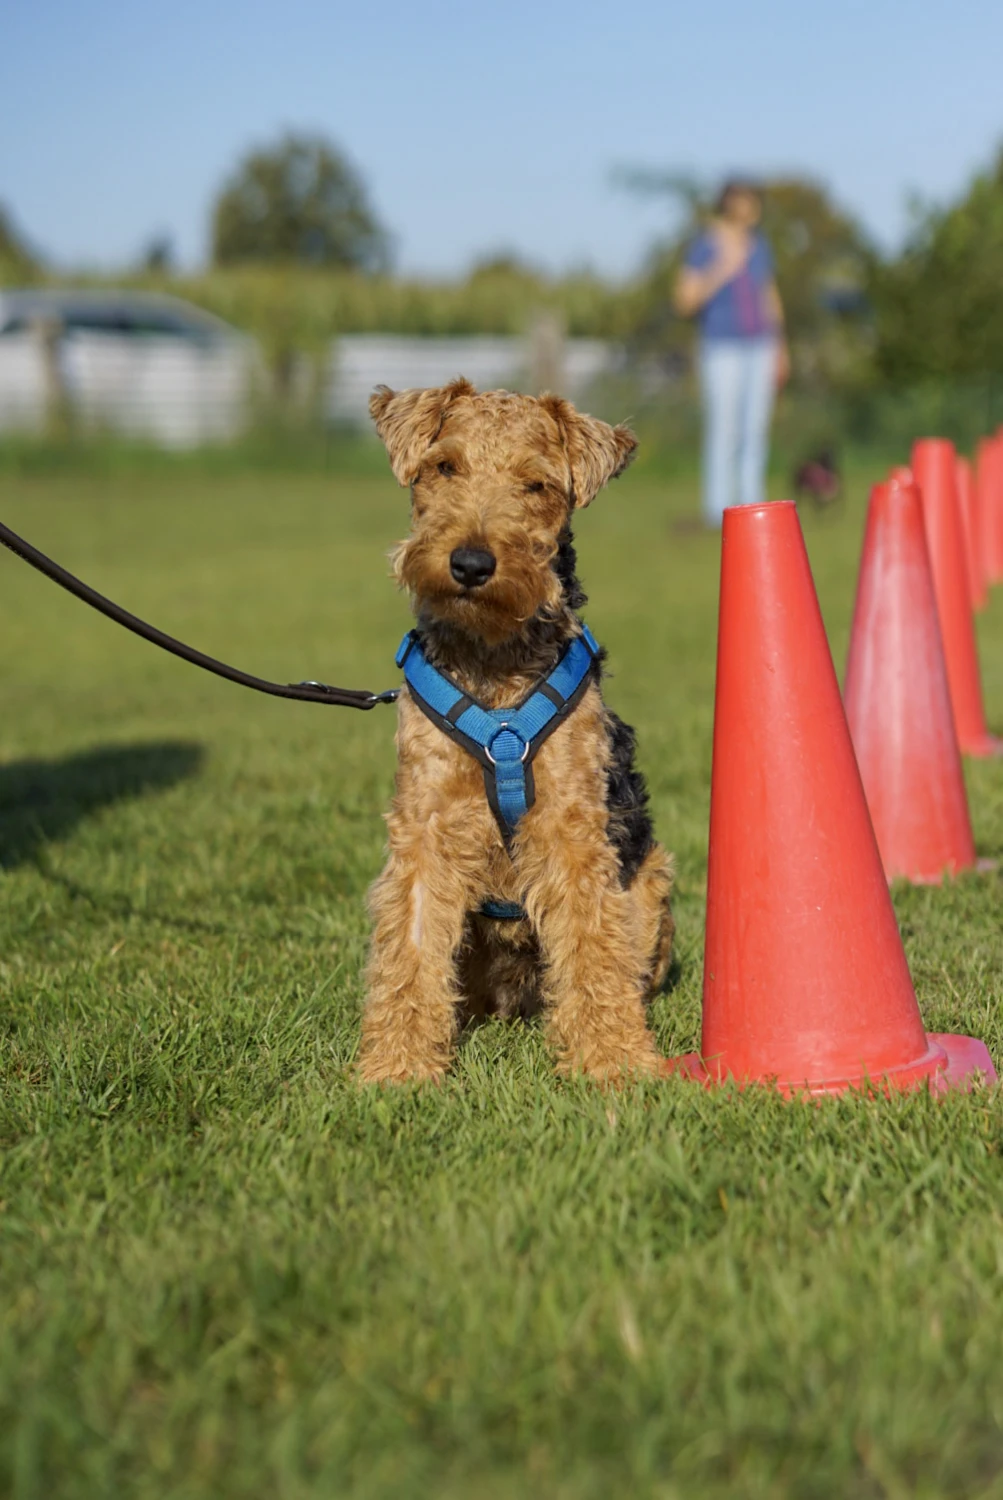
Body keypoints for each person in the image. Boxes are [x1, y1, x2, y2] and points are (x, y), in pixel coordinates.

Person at [674, 178, 789, 527]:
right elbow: (684, 300)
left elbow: (769, 295)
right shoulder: (704, 246)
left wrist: (781, 346)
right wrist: (721, 268)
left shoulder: (760, 246)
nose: (754, 208)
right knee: (723, 428)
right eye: (748, 200)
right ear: (731, 203)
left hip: (760, 346)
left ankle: (753, 505)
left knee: (755, 428)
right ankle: (718, 509)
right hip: (722, 347)